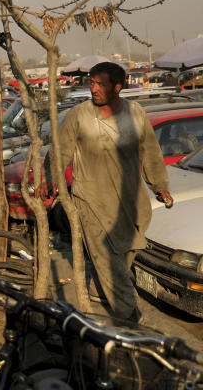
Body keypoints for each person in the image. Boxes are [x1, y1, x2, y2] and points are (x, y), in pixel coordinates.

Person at [54, 61, 173, 321]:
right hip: (91, 198)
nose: (93, 89)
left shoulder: (136, 114)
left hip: (131, 200)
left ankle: (101, 290)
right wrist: (52, 180)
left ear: (118, 87)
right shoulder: (79, 115)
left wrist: (160, 186)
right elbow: (60, 151)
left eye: (100, 84)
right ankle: (128, 313)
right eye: (92, 83)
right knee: (108, 258)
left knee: (127, 251)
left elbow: (150, 151)